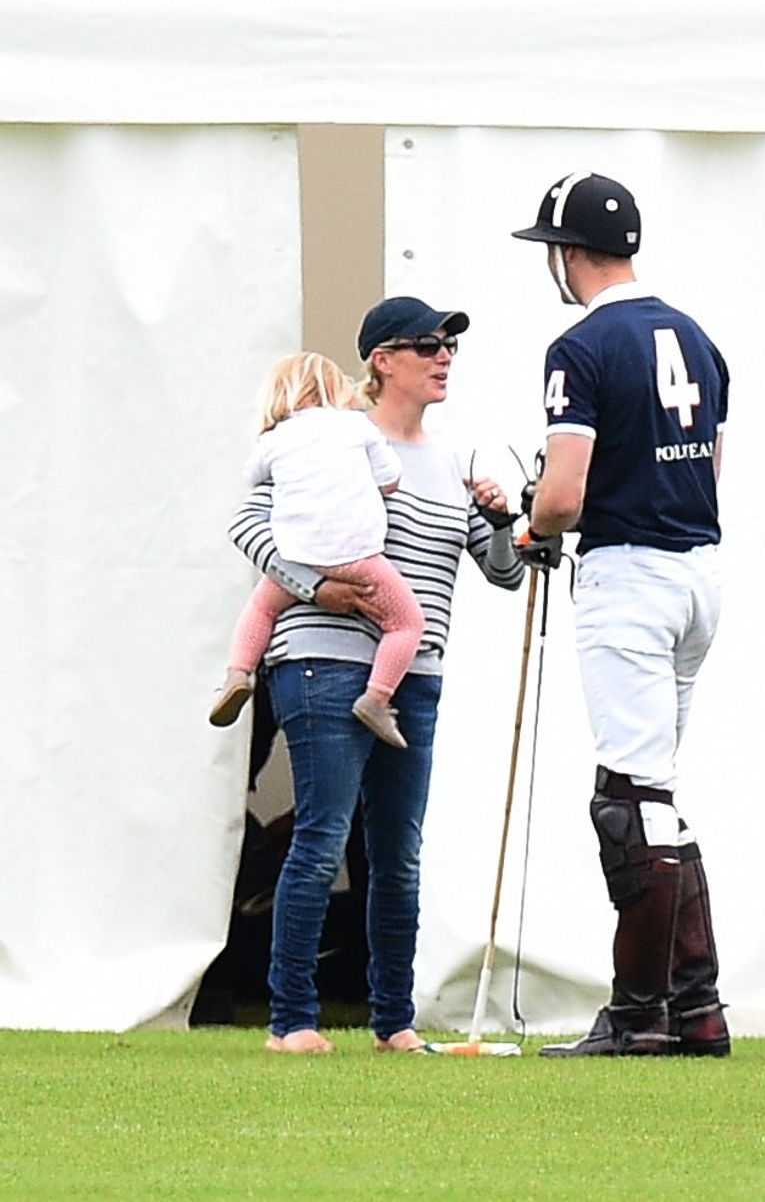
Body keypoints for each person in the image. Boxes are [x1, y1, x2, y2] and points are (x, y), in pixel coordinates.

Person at [227, 296, 524, 1054]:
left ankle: (394, 1021)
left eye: (450, 345)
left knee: (397, 854)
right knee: (323, 837)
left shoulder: (452, 462)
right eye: (427, 344)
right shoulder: (329, 436)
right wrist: (317, 588)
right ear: (381, 361)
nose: (444, 356)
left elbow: (504, 573)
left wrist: (498, 520)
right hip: (323, 660)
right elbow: (249, 525)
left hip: (414, 675)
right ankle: (291, 1022)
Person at [512, 172, 731, 1057]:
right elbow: (711, 469)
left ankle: (640, 1015)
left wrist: (534, 524)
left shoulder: (581, 347)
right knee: (658, 796)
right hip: (697, 573)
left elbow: (564, 495)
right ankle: (697, 1009)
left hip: (630, 577)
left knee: (629, 800)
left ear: (570, 254)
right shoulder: (699, 339)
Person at [209, 350, 424, 749]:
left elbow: (252, 478)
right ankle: (377, 698)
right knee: (406, 624)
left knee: (261, 608)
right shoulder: (356, 426)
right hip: (358, 557)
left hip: (299, 554)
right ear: (336, 389)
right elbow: (391, 479)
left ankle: (237, 673)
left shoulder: (275, 439)